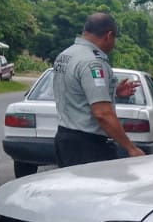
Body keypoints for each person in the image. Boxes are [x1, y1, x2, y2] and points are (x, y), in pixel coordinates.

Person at [51, 13, 146, 167]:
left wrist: (112, 93)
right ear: (109, 35)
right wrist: (131, 148)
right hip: (88, 145)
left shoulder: (66, 54)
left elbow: (76, 93)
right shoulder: (93, 62)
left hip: (64, 138)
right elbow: (102, 113)